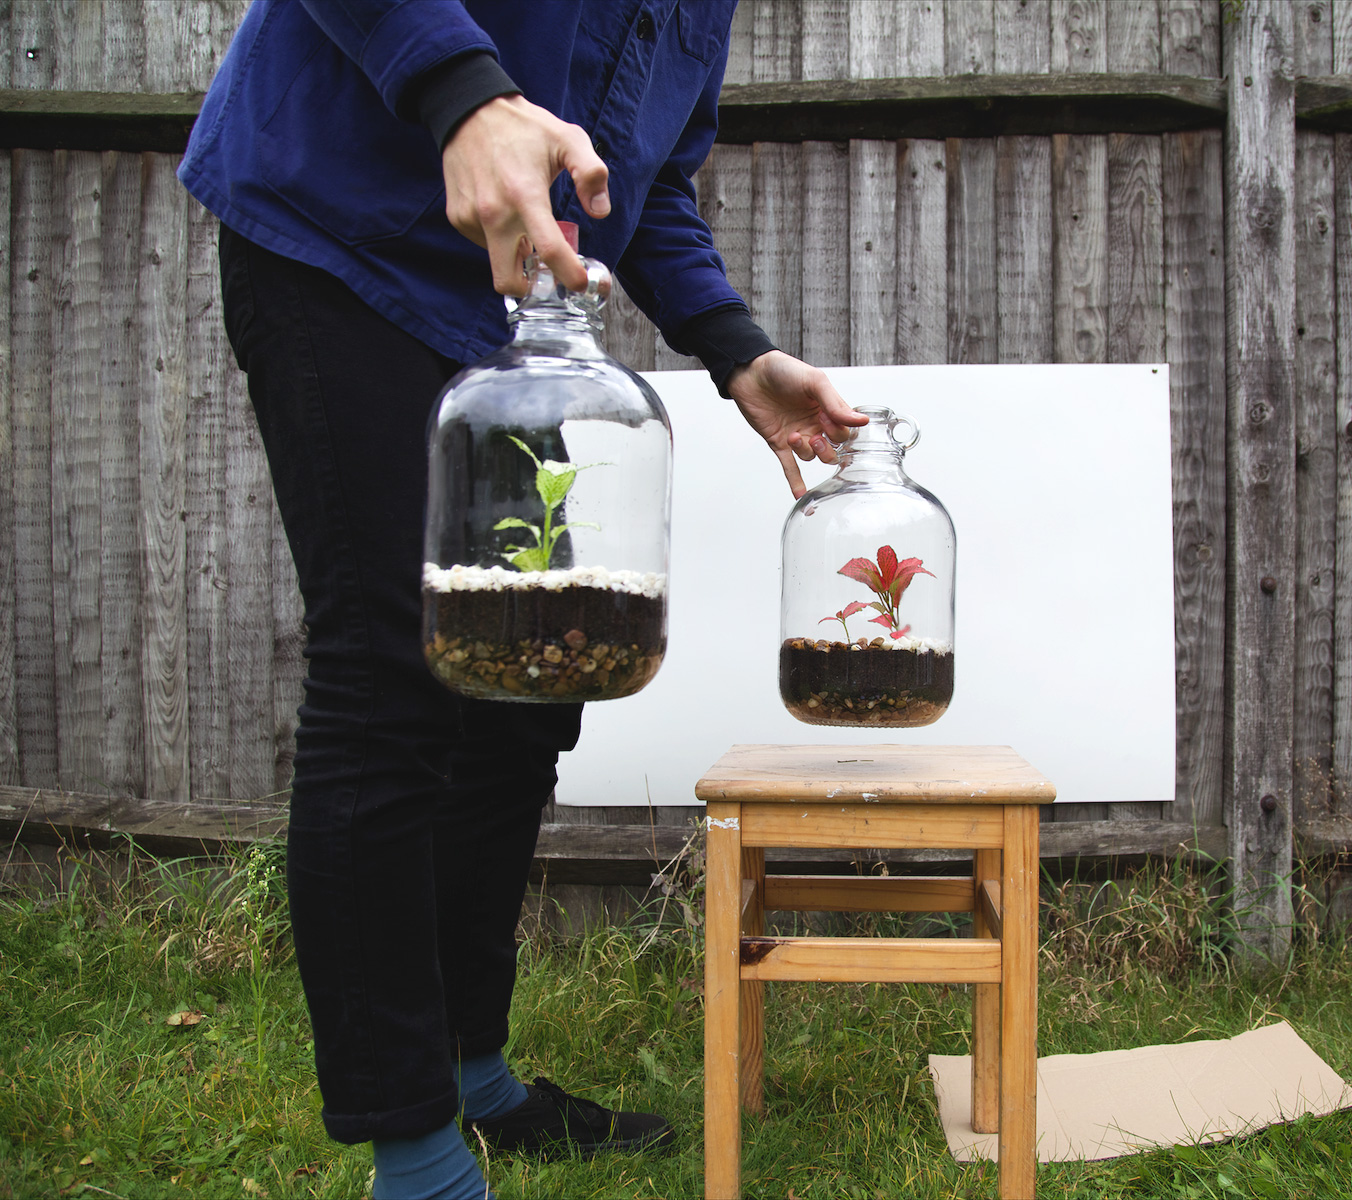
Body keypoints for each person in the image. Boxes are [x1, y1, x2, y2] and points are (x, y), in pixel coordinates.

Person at [178, 3, 864, 1197]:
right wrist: (462, 93)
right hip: (344, 247)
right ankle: (416, 1155)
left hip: (514, 324)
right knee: (394, 673)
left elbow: (636, 193)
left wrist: (736, 350)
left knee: (524, 687)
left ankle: (473, 1071)